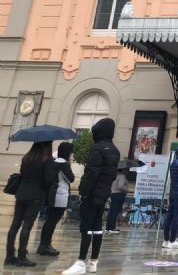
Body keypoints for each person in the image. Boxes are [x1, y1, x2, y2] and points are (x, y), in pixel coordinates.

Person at [63, 118, 120, 275]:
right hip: (103, 194)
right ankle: (93, 262)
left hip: (92, 193)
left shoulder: (98, 148)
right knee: (97, 228)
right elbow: (112, 174)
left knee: (86, 227)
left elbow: (91, 173)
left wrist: (84, 191)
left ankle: (81, 261)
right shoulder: (115, 150)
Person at [5, 141, 52, 267]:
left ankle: (9, 255)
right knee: (27, 226)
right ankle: (21, 256)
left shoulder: (26, 158)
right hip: (35, 195)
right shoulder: (46, 161)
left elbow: (23, 174)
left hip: (21, 193)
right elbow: (47, 180)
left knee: (15, 224)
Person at [38, 142, 75, 256]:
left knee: (49, 221)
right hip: (60, 196)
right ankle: (46, 246)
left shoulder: (51, 162)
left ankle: (43, 245)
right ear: (68, 153)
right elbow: (71, 179)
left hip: (50, 195)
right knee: (52, 222)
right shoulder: (64, 164)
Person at [105, 167, 128, 234]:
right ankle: (112, 228)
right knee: (115, 211)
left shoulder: (114, 175)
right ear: (123, 169)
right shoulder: (122, 176)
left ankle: (108, 227)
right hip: (119, 194)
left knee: (112, 211)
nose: (127, 170)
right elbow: (120, 186)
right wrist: (127, 190)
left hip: (113, 194)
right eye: (126, 169)